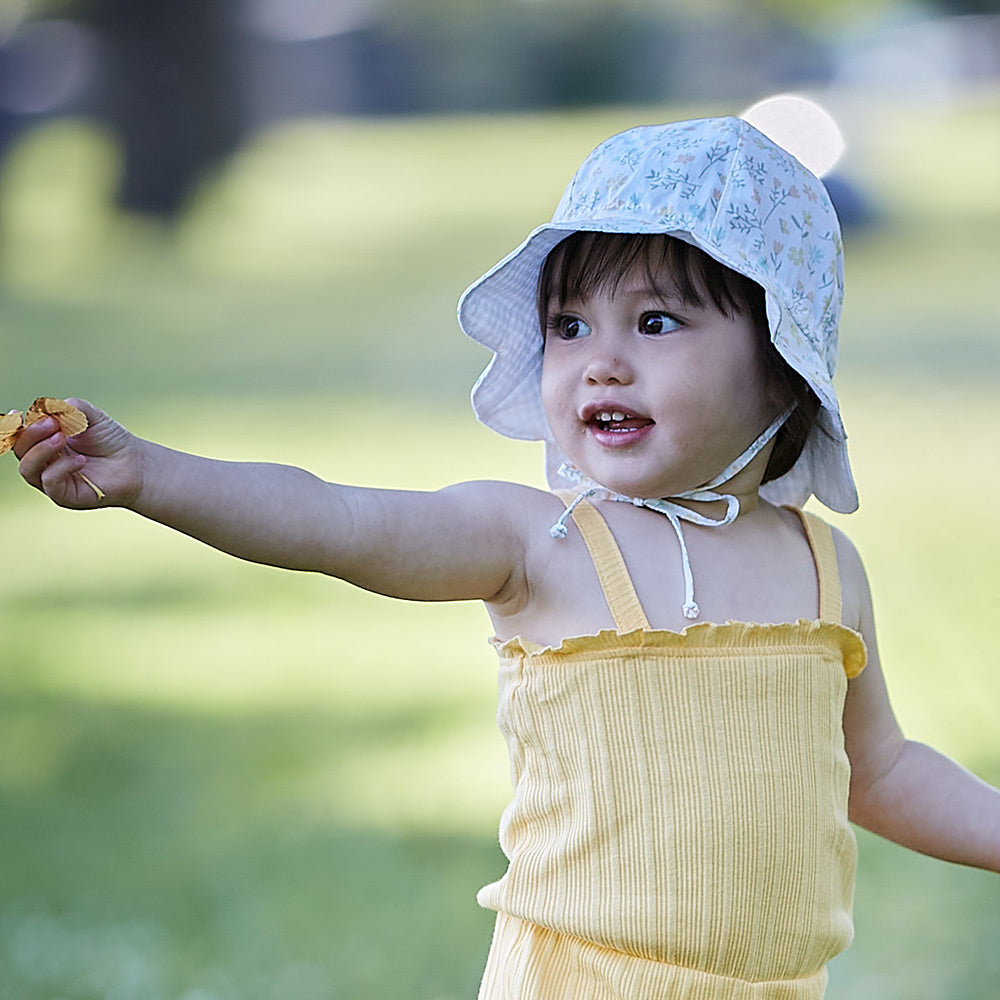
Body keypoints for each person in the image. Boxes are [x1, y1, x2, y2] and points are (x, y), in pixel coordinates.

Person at [12, 116, 1000, 999]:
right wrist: (149, 474)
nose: (600, 360)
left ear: (783, 363)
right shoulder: (539, 541)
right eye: (569, 325)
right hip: (575, 978)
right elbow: (333, 519)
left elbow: (876, 768)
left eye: (656, 322)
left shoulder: (822, 565)